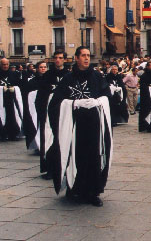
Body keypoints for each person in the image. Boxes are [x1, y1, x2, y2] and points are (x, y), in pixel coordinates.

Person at [47, 46, 112, 207]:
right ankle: (74, 188)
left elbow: (107, 96)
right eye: (83, 55)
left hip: (94, 125)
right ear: (76, 58)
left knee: (94, 157)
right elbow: (55, 104)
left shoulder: (97, 76)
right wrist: (74, 103)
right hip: (75, 127)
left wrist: (98, 102)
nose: (86, 58)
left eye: (88, 55)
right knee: (76, 157)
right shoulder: (68, 79)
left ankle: (93, 192)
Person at [0, 58, 24, 141]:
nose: (5, 66)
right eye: (3, 64)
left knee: (12, 116)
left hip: (11, 100)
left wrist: (14, 88)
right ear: (0, 64)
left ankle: (13, 133)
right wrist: (0, 89)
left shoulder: (14, 74)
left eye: (7, 64)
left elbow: (20, 86)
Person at [23, 61, 47, 151]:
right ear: (37, 69)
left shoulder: (49, 79)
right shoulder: (33, 81)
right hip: (35, 107)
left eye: (44, 67)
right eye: (41, 67)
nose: (43, 69)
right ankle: (37, 145)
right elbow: (28, 94)